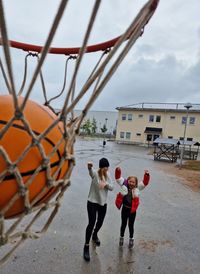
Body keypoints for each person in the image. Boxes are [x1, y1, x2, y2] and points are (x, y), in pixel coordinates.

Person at [83, 157, 113, 262]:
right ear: (101, 168)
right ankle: (86, 246)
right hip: (92, 201)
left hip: (102, 203)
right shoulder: (95, 173)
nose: (106, 169)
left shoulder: (108, 175)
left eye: (107, 167)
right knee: (91, 223)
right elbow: (91, 173)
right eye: (105, 168)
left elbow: (112, 187)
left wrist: (106, 184)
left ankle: (95, 235)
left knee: (100, 222)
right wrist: (89, 167)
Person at [115, 167, 150, 249]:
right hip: (124, 209)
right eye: (130, 181)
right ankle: (121, 238)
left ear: (136, 183)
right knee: (123, 224)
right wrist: (118, 170)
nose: (131, 183)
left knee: (131, 225)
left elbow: (145, 182)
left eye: (133, 182)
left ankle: (131, 239)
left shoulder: (137, 188)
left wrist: (147, 175)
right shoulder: (124, 185)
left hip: (132, 211)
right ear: (127, 181)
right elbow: (117, 178)